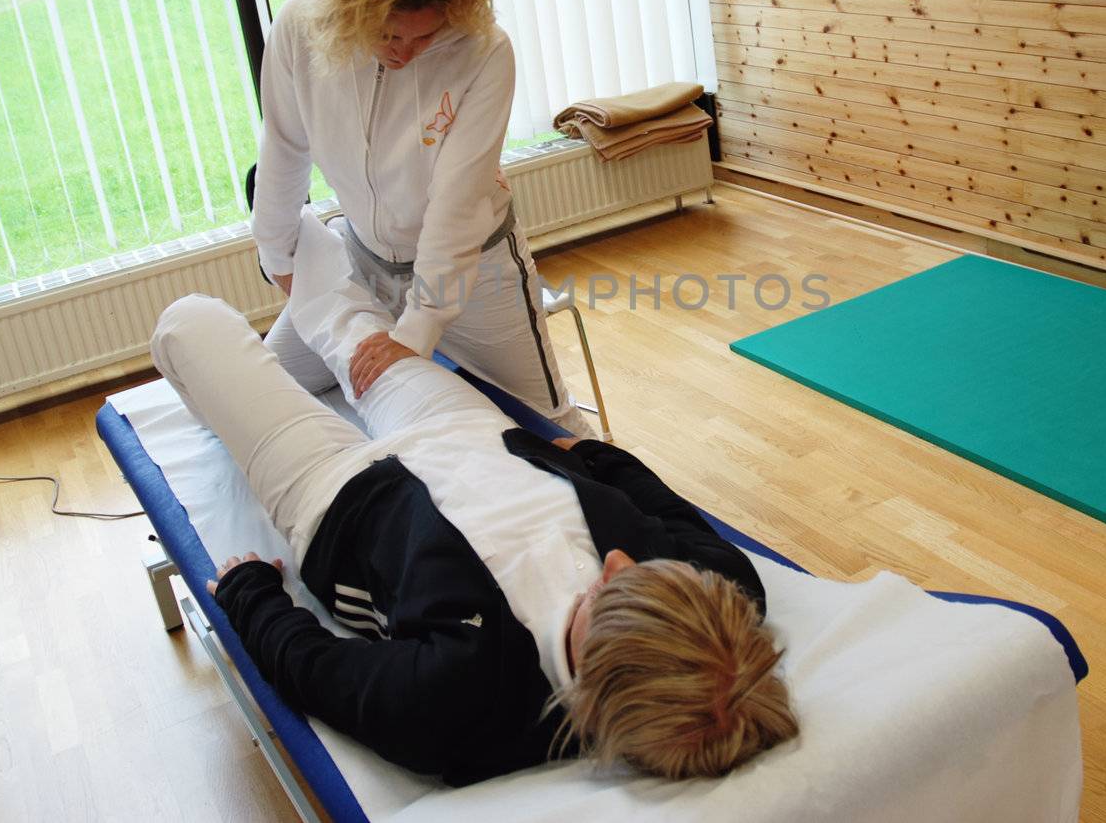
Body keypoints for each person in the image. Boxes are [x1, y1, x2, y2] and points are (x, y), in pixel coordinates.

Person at [150, 209, 797, 785]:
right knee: (345, 307)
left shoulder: (460, 701)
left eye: (605, 592)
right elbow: (674, 508)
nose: (617, 560)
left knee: (188, 323)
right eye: (644, 567)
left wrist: (251, 596)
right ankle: (307, 284)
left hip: (342, 496)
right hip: (471, 434)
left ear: (593, 690)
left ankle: (291, 329)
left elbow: (316, 667)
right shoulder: (723, 594)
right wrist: (596, 458)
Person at [252, 0, 593, 437]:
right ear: (349, 8)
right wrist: (276, 252)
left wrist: (419, 327)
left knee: (551, 430)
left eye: (425, 37)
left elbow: (457, 203)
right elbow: (284, 144)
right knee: (264, 386)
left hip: (476, 272)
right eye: (387, 33)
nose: (404, 52)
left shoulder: (483, 52)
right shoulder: (301, 26)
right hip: (360, 258)